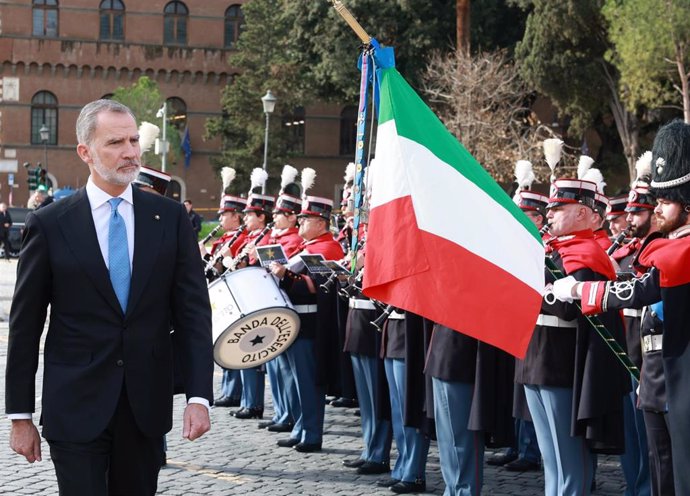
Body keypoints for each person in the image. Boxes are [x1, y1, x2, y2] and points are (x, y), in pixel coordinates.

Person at [5, 99, 214, 496]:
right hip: (74, 405)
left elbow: (192, 313)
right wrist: (20, 414)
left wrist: (198, 395)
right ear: (85, 152)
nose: (131, 152)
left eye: (134, 140)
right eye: (116, 142)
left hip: (144, 408)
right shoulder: (50, 224)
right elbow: (26, 324)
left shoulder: (168, 218)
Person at [551, 119, 690, 495]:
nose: (657, 209)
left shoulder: (683, 249)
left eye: (664, 201)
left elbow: (642, 291)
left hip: (681, 379)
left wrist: (583, 291)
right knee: (663, 470)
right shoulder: (668, 245)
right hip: (658, 377)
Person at [515, 178, 629, 496]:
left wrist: (532, 288)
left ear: (581, 213)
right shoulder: (551, 250)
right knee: (552, 464)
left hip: (563, 368)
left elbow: (568, 310)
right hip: (535, 361)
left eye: (558, 209)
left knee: (569, 467)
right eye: (550, 209)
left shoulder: (587, 255)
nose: (549, 215)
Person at [270, 194, 344, 453]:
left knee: (309, 382)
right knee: (294, 380)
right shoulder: (308, 247)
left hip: (310, 322)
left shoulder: (328, 248)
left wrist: (285, 275)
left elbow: (316, 288)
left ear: (321, 223)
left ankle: (312, 434)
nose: (299, 223)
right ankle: (300, 427)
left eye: (306, 219)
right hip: (295, 320)